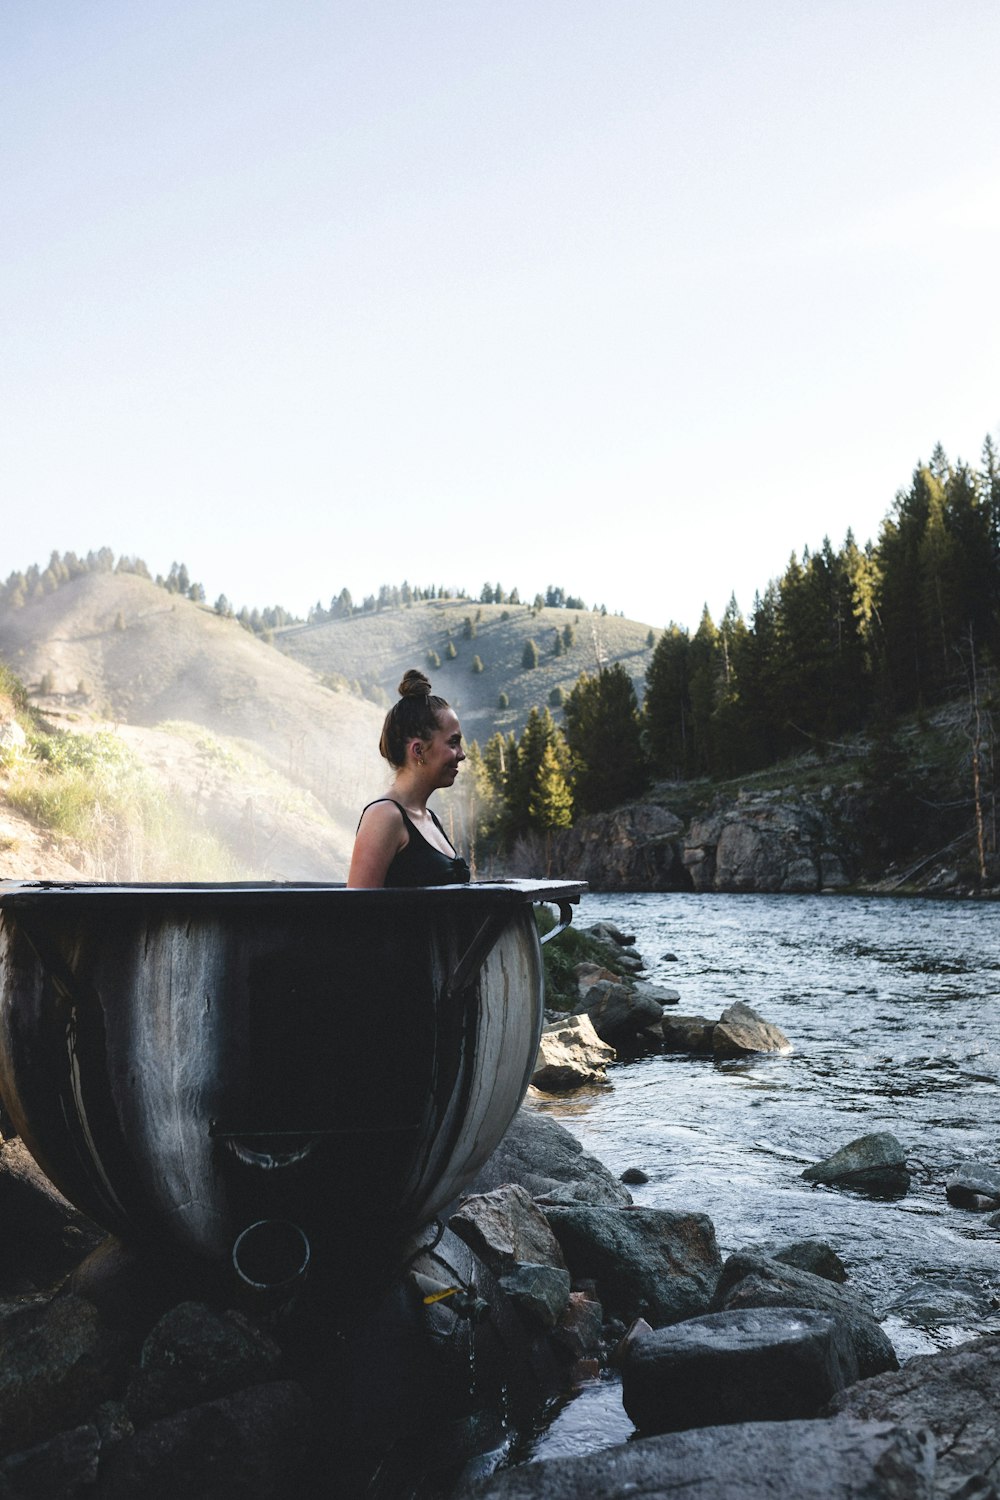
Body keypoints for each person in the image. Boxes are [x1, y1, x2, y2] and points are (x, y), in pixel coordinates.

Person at [347, 669, 471, 887]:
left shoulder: (432, 819)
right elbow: (355, 912)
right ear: (418, 750)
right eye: (453, 743)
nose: (461, 754)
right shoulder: (384, 816)